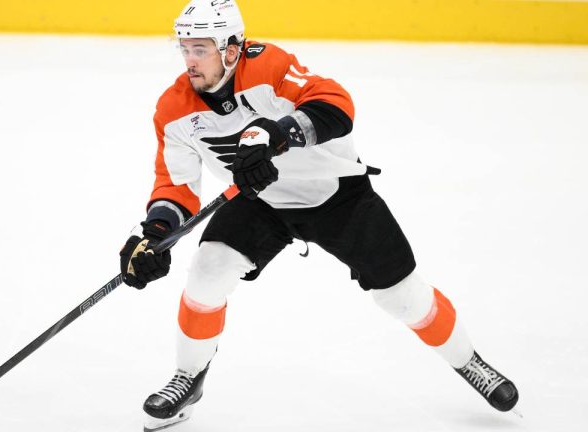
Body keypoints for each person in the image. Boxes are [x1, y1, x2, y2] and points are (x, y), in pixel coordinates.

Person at [119, 1, 519, 430]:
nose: (189, 61)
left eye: (200, 49)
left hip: (336, 194)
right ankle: (188, 378)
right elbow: (176, 185)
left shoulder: (269, 66)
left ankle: (468, 361)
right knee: (208, 272)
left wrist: (278, 133)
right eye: (184, 49)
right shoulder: (173, 109)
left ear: (232, 49)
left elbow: (337, 104)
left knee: (402, 296)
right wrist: (155, 234)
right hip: (260, 201)